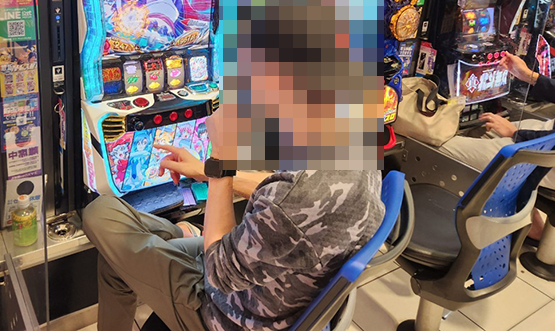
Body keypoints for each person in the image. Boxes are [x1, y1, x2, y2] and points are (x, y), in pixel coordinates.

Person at [82, 107, 385, 331]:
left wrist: (221, 162)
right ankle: (181, 235)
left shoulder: (298, 193)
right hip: (272, 277)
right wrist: (205, 170)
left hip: (230, 313)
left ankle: (182, 235)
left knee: (99, 213)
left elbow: (218, 273)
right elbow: (286, 193)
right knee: (114, 261)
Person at [439, 53, 555, 240]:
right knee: (485, 128)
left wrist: (515, 133)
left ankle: (523, 218)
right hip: (548, 134)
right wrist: (529, 76)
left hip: (546, 151)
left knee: (441, 145)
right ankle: (524, 212)